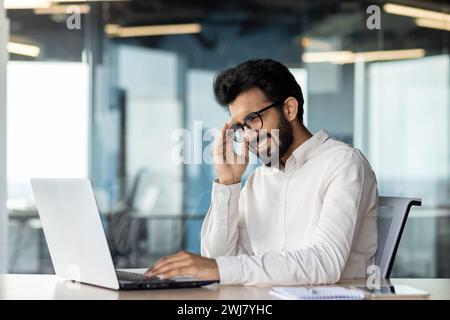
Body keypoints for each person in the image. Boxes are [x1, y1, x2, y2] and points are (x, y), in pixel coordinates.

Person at [145, 59, 378, 285]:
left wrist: (217, 268)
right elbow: (218, 259)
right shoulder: (259, 180)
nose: (248, 135)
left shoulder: (343, 164)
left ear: (289, 109)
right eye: (239, 127)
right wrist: (229, 182)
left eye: (253, 120)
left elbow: (325, 263)